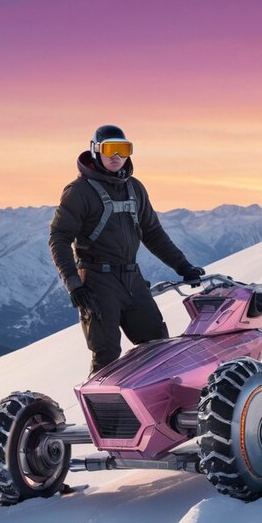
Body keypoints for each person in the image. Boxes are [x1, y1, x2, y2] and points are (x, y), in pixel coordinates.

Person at [49, 124, 205, 375]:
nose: (116, 156)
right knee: (107, 354)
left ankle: (155, 409)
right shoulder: (79, 192)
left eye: (123, 149)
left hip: (132, 279)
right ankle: (103, 413)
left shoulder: (135, 189)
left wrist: (183, 266)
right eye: (110, 149)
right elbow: (59, 237)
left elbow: (153, 233)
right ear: (96, 151)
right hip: (97, 281)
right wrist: (73, 283)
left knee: (158, 344)